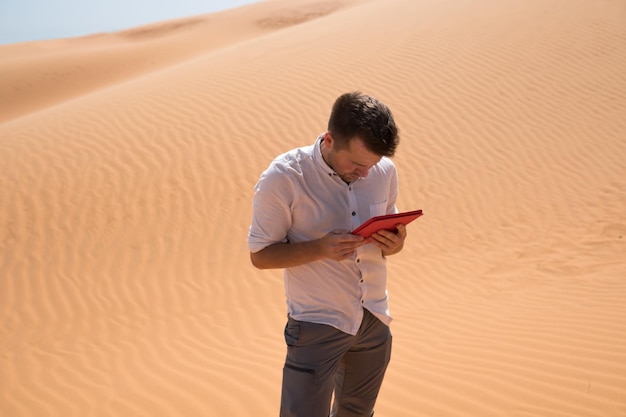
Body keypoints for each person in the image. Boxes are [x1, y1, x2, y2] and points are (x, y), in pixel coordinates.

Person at [248, 91, 407, 417]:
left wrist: (395, 243)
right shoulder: (284, 178)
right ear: (330, 140)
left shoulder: (384, 172)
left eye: (373, 164)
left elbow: (388, 238)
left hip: (374, 318)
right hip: (317, 324)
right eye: (358, 163)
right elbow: (261, 255)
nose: (366, 173)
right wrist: (320, 248)